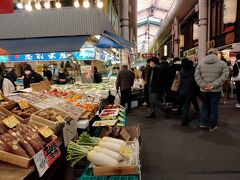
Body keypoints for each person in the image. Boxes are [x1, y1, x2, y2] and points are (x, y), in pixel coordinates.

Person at [195, 49, 229, 131]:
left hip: (204, 90)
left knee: (205, 106)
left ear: (208, 54)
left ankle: (203, 123)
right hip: (216, 90)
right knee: (214, 107)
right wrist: (213, 85)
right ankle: (212, 126)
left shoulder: (201, 64)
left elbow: (197, 76)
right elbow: (225, 75)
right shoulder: (222, 63)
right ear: (216, 54)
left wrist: (203, 85)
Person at [179, 59, 196, 126]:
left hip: (181, 91)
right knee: (186, 106)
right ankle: (184, 120)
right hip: (189, 91)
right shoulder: (193, 73)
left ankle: (186, 117)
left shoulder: (181, 71)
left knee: (184, 106)